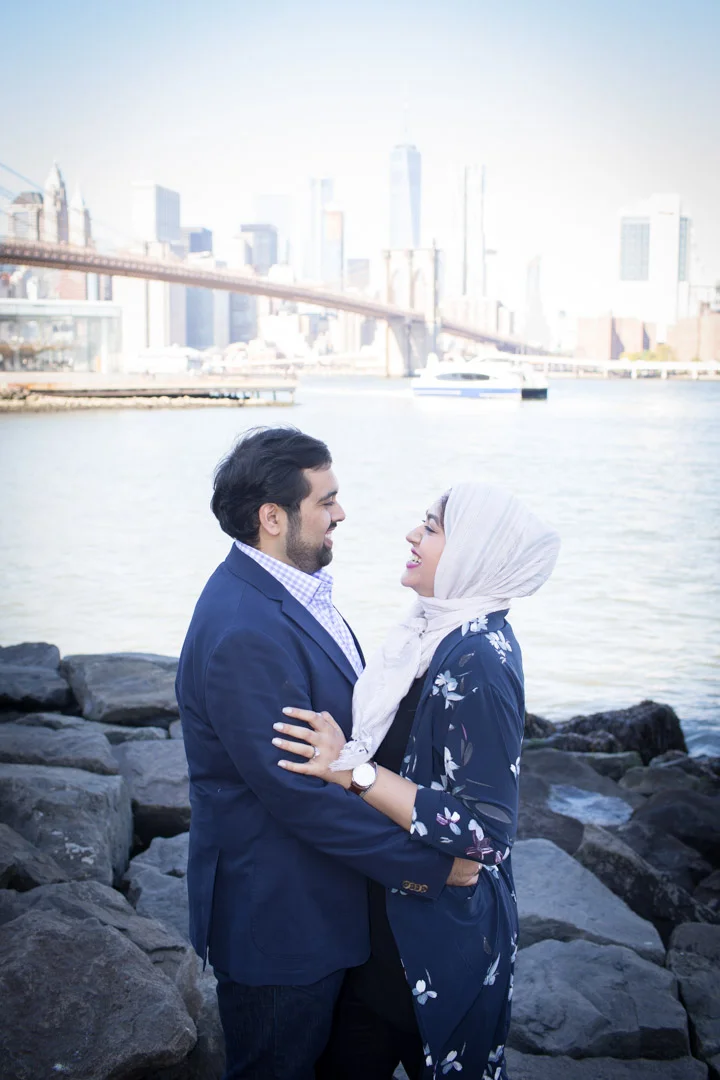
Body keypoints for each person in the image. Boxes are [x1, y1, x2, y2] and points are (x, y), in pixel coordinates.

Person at [175, 427, 480, 1080]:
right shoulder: (246, 631)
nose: (341, 513)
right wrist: (431, 867)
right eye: (327, 500)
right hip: (280, 924)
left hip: (323, 907)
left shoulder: (291, 593)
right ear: (273, 517)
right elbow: (299, 796)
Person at [272, 482, 560, 1080]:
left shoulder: (477, 658)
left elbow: (485, 835)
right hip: (385, 926)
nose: (412, 535)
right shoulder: (431, 635)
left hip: (439, 940)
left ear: (474, 553)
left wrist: (352, 771)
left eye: (430, 528)